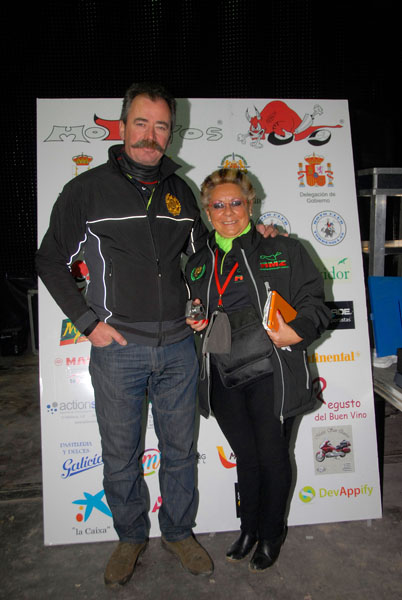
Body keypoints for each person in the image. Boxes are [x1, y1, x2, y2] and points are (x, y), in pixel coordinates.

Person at [36, 83, 213, 586]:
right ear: (121, 126)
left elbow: (202, 258)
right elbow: (50, 260)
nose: (150, 135)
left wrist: (201, 302)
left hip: (178, 346)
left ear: (170, 133)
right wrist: (87, 323)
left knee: (180, 452)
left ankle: (178, 532)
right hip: (118, 350)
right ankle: (131, 536)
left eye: (161, 126)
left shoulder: (182, 191)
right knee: (120, 456)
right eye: (141, 123)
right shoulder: (86, 190)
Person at [185, 168, 330, 572]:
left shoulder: (283, 248)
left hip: (271, 370)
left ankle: (271, 534)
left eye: (236, 202)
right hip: (222, 373)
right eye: (218, 205)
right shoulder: (197, 262)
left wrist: (296, 331)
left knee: (272, 456)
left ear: (251, 205)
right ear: (207, 212)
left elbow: (315, 302)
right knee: (246, 457)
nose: (228, 211)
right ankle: (248, 529)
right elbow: (194, 307)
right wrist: (195, 320)